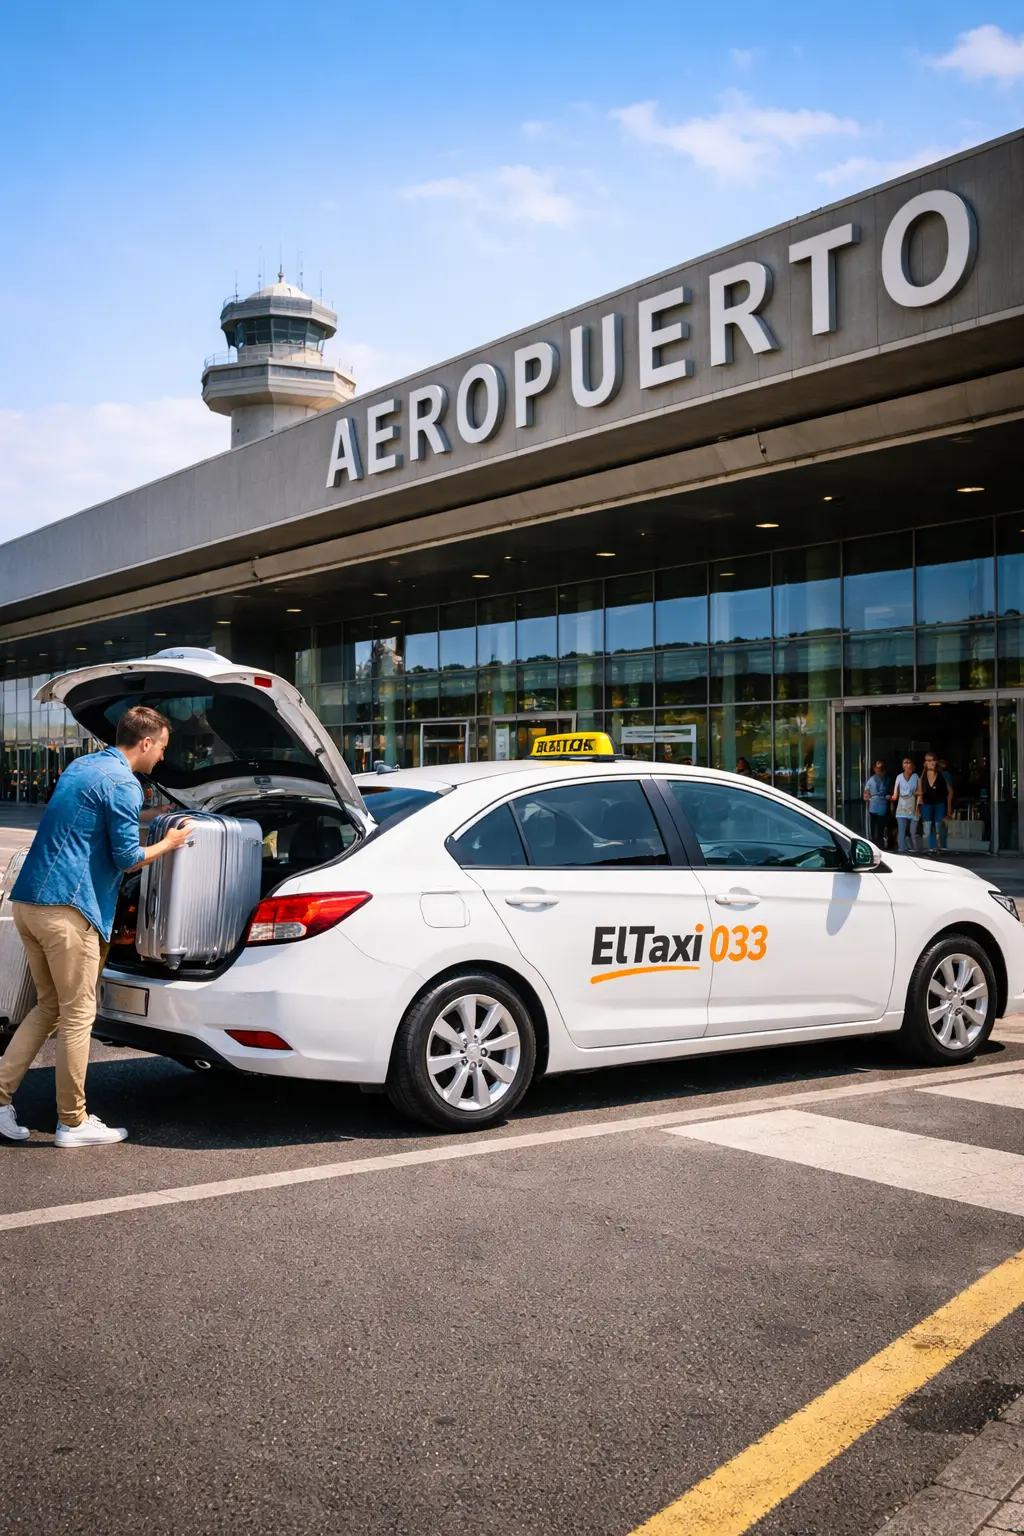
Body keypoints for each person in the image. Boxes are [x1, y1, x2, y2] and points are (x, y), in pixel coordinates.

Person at [0, 707, 193, 1148]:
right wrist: (170, 842)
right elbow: (127, 857)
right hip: (69, 910)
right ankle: (73, 1121)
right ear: (145, 743)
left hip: (31, 901)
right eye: (162, 747)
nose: (162, 757)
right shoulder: (124, 783)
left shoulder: (83, 765)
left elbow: (83, 827)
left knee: (49, 1007)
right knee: (77, 1016)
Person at [918, 752, 954, 856]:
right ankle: (932, 848)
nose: (930, 763)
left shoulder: (942, 774)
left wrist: (949, 809)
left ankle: (942, 848)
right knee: (929, 828)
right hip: (927, 804)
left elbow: (950, 791)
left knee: (939, 827)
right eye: (927, 760)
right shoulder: (923, 775)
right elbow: (919, 790)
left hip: (939, 804)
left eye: (932, 760)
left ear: (936, 761)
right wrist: (918, 807)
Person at [891, 757, 920, 853]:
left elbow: (919, 793)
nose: (907, 765)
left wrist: (918, 807)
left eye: (909, 762)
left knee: (913, 832)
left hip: (913, 806)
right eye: (905, 763)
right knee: (901, 830)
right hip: (901, 807)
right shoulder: (899, 777)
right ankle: (901, 850)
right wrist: (889, 798)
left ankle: (915, 849)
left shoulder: (916, 777)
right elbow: (895, 794)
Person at [863, 759, 892, 848]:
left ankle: (882, 843)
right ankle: (874, 843)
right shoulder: (871, 780)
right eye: (877, 768)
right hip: (873, 806)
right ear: (874, 768)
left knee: (882, 826)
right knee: (873, 826)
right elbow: (866, 793)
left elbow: (890, 792)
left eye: (881, 768)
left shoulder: (888, 779)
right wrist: (867, 799)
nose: (879, 770)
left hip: (883, 805)